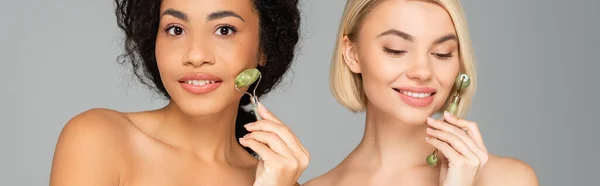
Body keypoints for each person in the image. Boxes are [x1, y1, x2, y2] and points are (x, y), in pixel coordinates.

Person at [49, 0, 309, 185]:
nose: (196, 55)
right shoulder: (99, 139)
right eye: (176, 30)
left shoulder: (277, 180)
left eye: (224, 30)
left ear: (264, 46)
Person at [304, 0, 538, 185]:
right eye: (396, 50)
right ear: (352, 54)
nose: (423, 71)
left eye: (442, 53)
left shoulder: (505, 179)